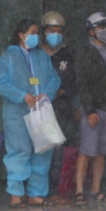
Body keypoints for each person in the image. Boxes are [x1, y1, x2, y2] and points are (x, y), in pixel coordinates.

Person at [0, 18, 61, 208]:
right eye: (31, 33)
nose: (35, 36)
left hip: (42, 111)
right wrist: (23, 96)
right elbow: (1, 83)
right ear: (21, 35)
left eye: (36, 33)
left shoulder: (42, 56)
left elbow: (55, 78)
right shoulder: (8, 58)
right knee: (18, 151)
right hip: (17, 113)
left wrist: (46, 93)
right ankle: (16, 194)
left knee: (43, 150)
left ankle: (36, 193)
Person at [75, 11, 106, 206]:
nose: (105, 31)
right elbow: (82, 83)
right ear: (91, 31)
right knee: (87, 151)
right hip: (92, 110)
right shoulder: (85, 52)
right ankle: (78, 191)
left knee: (101, 152)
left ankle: (96, 189)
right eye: (100, 27)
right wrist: (90, 109)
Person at [40, 10, 78, 195]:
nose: (55, 33)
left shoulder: (67, 54)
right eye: (51, 29)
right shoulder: (36, 53)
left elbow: (73, 81)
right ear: (44, 31)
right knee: (39, 149)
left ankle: (53, 189)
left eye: (58, 30)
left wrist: (59, 92)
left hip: (61, 108)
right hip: (38, 107)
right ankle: (36, 190)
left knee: (57, 151)